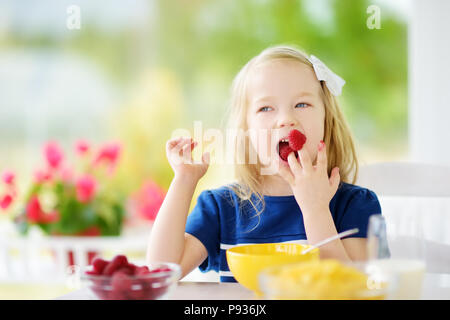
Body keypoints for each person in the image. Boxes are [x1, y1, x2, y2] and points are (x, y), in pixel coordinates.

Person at [147, 45, 382, 282]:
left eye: (302, 104)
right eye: (266, 108)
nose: (286, 119)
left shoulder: (355, 205)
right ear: (247, 131)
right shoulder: (221, 208)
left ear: (326, 119)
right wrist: (184, 180)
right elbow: (161, 273)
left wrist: (316, 210)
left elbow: (351, 289)